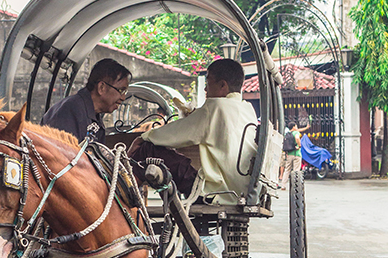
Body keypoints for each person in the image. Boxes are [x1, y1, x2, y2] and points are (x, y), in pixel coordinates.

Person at [129, 58, 258, 200]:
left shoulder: (215, 108)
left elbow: (173, 134)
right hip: (240, 191)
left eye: (208, 83)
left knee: (149, 149)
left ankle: (124, 195)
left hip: (214, 193)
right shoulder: (247, 109)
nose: (205, 89)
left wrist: (142, 137)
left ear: (222, 85)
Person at [41, 58, 131, 143]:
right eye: (121, 91)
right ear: (101, 87)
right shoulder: (70, 110)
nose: (123, 98)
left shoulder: (94, 117)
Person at [280, 123, 302, 189]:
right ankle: (295, 186)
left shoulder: (287, 134)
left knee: (287, 170)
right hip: (296, 154)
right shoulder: (296, 133)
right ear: (293, 127)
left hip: (289, 154)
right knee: (296, 171)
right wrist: (299, 145)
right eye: (296, 126)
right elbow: (297, 138)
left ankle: (283, 185)